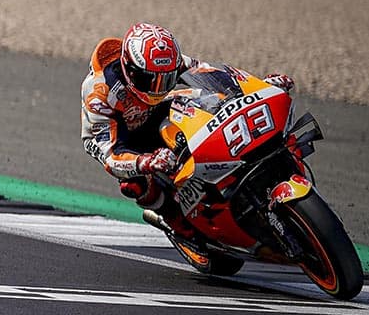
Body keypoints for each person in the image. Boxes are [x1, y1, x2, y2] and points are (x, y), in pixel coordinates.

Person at [80, 22, 294, 253]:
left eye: (166, 78)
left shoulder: (169, 62)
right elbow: (111, 155)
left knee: (208, 102)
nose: (157, 87)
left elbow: (212, 75)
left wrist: (258, 86)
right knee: (134, 183)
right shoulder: (100, 93)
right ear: (130, 69)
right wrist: (145, 161)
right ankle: (175, 222)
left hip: (159, 110)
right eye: (150, 80)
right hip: (120, 135)